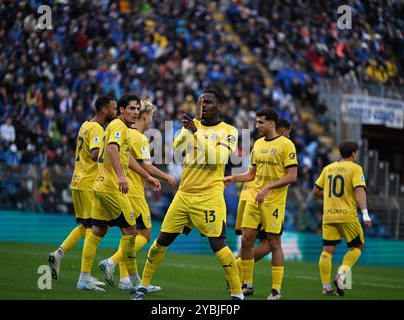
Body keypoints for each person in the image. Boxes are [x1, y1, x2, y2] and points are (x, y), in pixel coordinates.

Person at [132, 89, 243, 300]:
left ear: (220, 105)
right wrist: (192, 125)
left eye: (209, 102)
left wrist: (196, 132)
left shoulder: (229, 131)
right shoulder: (194, 124)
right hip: (184, 194)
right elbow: (177, 148)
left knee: (218, 245)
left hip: (209, 196)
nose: (204, 105)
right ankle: (143, 287)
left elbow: (218, 159)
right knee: (161, 241)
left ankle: (237, 293)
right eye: (202, 102)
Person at [76, 94, 161, 291]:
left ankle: (84, 278)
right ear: (121, 110)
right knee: (131, 231)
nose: (135, 112)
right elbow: (113, 150)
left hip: (99, 185)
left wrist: (146, 176)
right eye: (131, 108)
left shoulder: (117, 127)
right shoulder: (118, 126)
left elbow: (125, 156)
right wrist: (122, 177)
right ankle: (133, 282)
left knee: (98, 230)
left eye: (137, 109)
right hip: (111, 188)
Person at [99, 100, 176, 293]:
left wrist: (148, 177)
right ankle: (112, 261)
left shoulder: (126, 132)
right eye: (151, 116)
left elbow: (128, 159)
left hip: (121, 187)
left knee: (128, 233)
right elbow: (146, 165)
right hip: (133, 191)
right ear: (144, 116)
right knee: (144, 234)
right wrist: (166, 176)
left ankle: (126, 279)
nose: (151, 121)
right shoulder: (139, 138)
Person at [224, 108, 298, 300]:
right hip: (254, 198)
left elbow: (292, 175)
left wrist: (268, 188)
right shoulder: (257, 144)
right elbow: (252, 174)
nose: (257, 126)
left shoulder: (286, 145)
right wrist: (233, 178)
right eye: (256, 122)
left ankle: (276, 289)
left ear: (272, 123)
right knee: (246, 239)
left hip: (273, 201)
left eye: (260, 122)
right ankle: (247, 284)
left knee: (274, 243)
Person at [48, 95, 117, 285]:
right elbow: (95, 154)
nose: (115, 111)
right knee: (95, 228)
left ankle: (59, 253)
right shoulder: (96, 128)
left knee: (86, 225)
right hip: (89, 182)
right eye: (113, 108)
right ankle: (84, 276)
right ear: (104, 110)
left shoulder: (85, 125)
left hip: (78, 180)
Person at [312, 141, 371, 296]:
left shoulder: (328, 168)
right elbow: (359, 191)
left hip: (329, 215)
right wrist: (365, 214)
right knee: (357, 246)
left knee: (327, 251)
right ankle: (341, 275)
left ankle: (326, 287)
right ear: (354, 153)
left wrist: (328, 199)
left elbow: (315, 191)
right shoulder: (355, 168)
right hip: (347, 215)